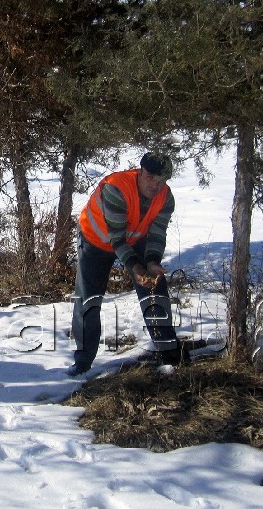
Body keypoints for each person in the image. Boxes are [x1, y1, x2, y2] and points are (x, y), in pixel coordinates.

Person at [69, 151, 181, 376]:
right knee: (88, 300)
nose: (155, 185)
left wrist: (151, 262)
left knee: (155, 289)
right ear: (140, 172)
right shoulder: (116, 188)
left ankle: (169, 356)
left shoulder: (166, 198)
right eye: (151, 178)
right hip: (95, 241)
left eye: (161, 181)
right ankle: (82, 363)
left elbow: (157, 234)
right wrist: (136, 268)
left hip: (134, 239)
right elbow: (116, 239)